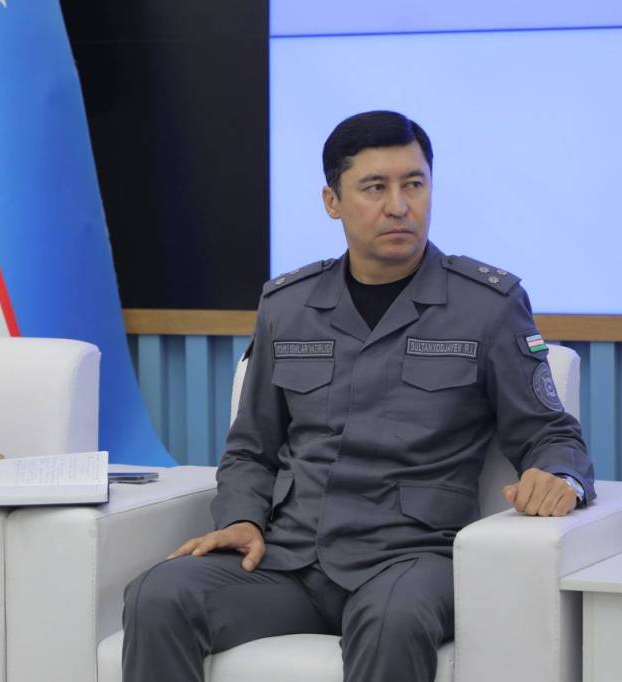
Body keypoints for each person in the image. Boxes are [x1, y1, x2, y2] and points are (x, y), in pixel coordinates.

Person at [121, 111, 595, 682]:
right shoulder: (287, 305)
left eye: (414, 184)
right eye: (375, 187)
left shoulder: (487, 305)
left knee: (392, 617)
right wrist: (243, 518)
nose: (399, 206)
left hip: (412, 559)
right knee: (160, 594)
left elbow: (551, 433)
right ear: (333, 201)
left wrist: (558, 476)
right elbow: (251, 449)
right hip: (291, 561)